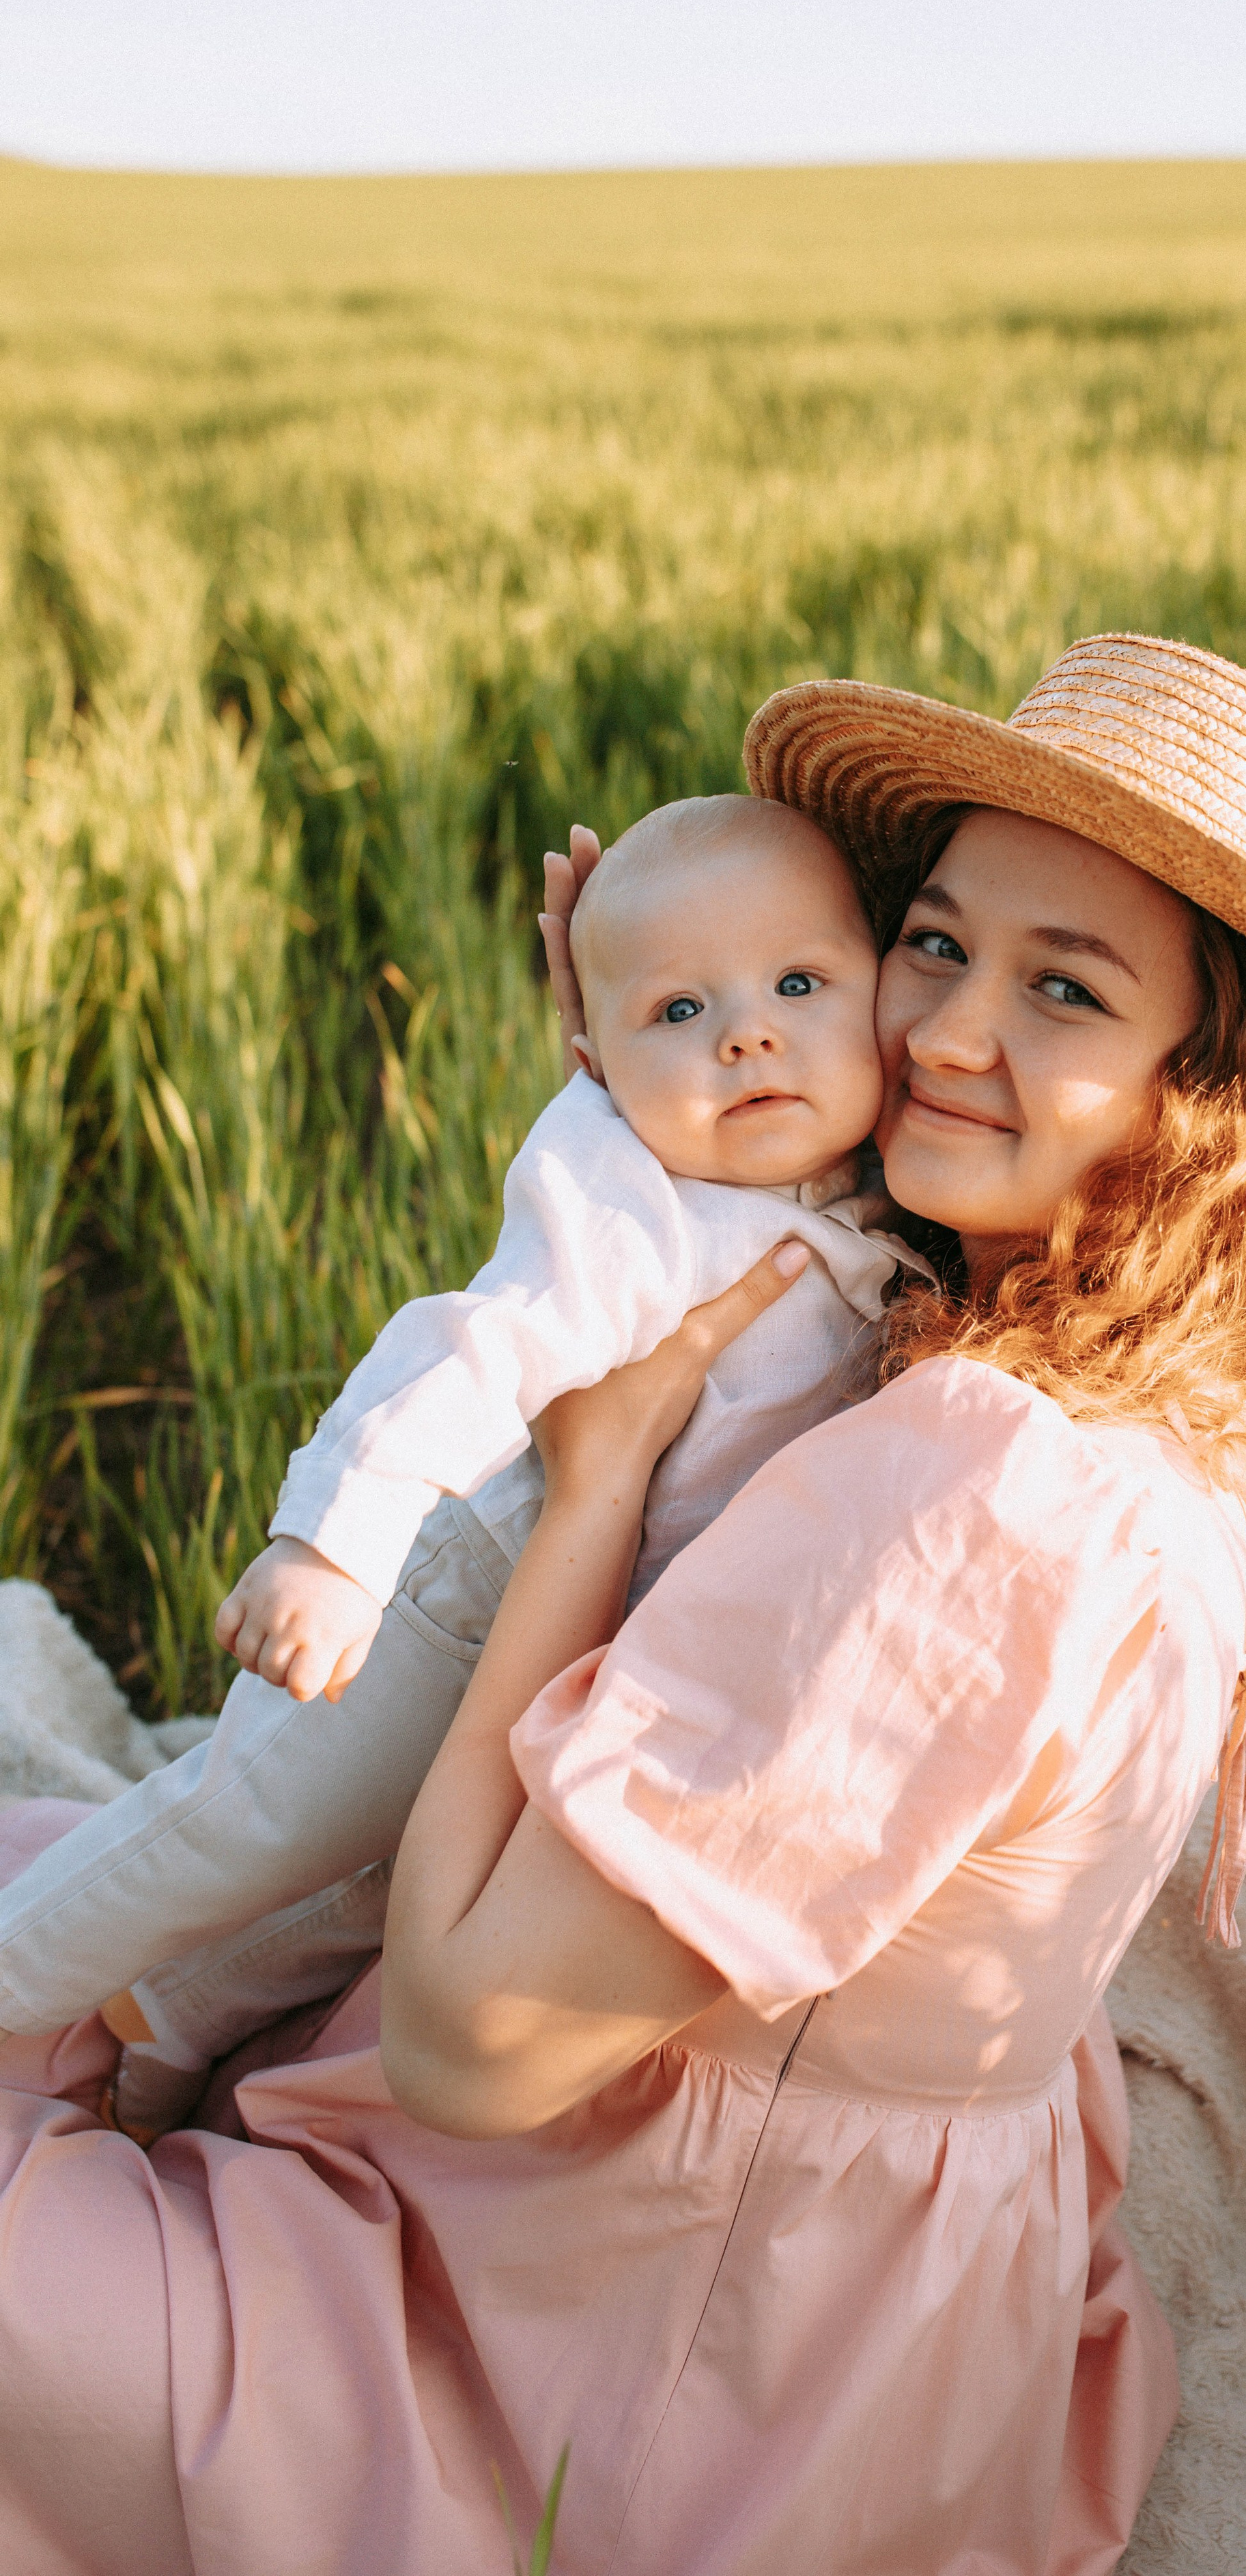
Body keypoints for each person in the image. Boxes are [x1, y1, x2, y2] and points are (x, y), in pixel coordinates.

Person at [0, 634, 1246, 2576]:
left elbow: (471, 2048)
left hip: (652, 2349)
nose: (947, 1028)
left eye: (1065, 990)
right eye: (934, 943)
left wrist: (593, 1484)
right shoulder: (1161, 1391)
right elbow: (750, 1267)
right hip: (909, 2300)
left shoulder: (973, 1486)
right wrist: (668, 1044)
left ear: (1217, 1100)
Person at [0, 792, 928, 2131]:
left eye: (798, 981)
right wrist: (338, 1543)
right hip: (469, 1594)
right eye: (677, 1013)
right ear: (593, 1061)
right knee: (252, 1821)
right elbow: (474, 1346)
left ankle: (168, 2022)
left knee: (398, 1882)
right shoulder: (636, 1205)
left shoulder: (880, 1181)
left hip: (614, 1633)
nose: (746, 1033)